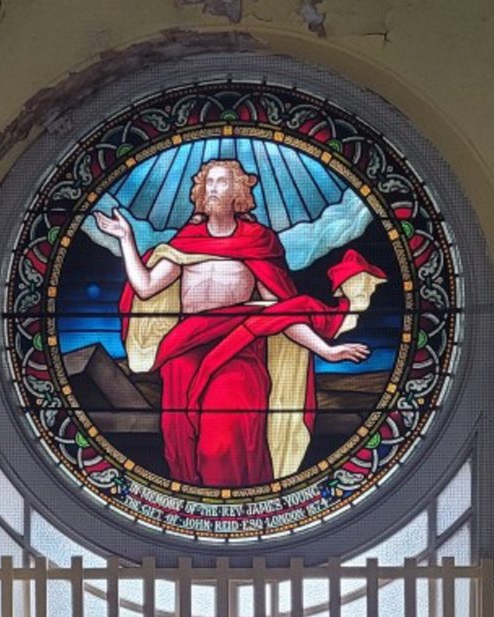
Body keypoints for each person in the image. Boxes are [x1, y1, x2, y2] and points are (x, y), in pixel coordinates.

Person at [95, 159, 382, 488]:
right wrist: (126, 238)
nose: (213, 189)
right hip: (184, 352)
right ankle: (200, 507)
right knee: (182, 441)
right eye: (208, 182)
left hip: (239, 352)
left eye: (222, 182)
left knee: (222, 444)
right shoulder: (186, 242)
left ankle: (241, 501)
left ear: (240, 192)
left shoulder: (258, 242)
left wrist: (325, 350)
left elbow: (281, 312)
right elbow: (145, 287)